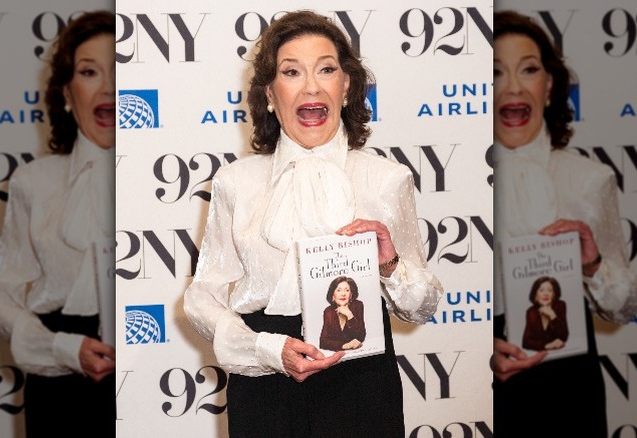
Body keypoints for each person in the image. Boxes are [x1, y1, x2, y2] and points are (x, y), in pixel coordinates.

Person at [183, 10, 443, 438]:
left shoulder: (387, 179)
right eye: (291, 71)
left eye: (326, 69)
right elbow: (202, 298)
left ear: (346, 88)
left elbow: (421, 307)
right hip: (264, 379)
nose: (311, 86)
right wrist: (266, 348)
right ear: (269, 94)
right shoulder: (235, 182)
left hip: (361, 379)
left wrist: (391, 264)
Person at [491, 10, 637, 437]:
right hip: (486, 378)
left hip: (568, 382)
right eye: (495, 73)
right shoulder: (459, 189)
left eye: (529, 69)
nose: (513, 86)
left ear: (549, 87)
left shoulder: (589, 179)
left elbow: (626, 305)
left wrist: (594, 264)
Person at [0, 11, 116, 437]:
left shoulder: (166, 188)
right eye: (89, 71)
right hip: (59, 383)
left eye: (120, 69)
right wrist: (60, 348)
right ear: (67, 95)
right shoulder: (33, 182)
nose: (108, 86)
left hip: (149, 377)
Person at [521, 276, 568, 351]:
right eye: (541, 290)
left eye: (550, 290)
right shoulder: (531, 312)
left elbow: (564, 336)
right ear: (535, 295)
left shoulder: (560, 306)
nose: (546, 294)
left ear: (554, 294)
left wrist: (552, 316)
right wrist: (546, 346)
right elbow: (526, 342)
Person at [319, 276, 366, 351]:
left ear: (351, 295)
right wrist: (344, 346)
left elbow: (361, 336)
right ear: (332, 296)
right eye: (339, 290)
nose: (343, 294)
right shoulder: (328, 311)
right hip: (338, 355)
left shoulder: (358, 305)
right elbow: (323, 342)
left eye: (347, 290)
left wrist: (349, 315)